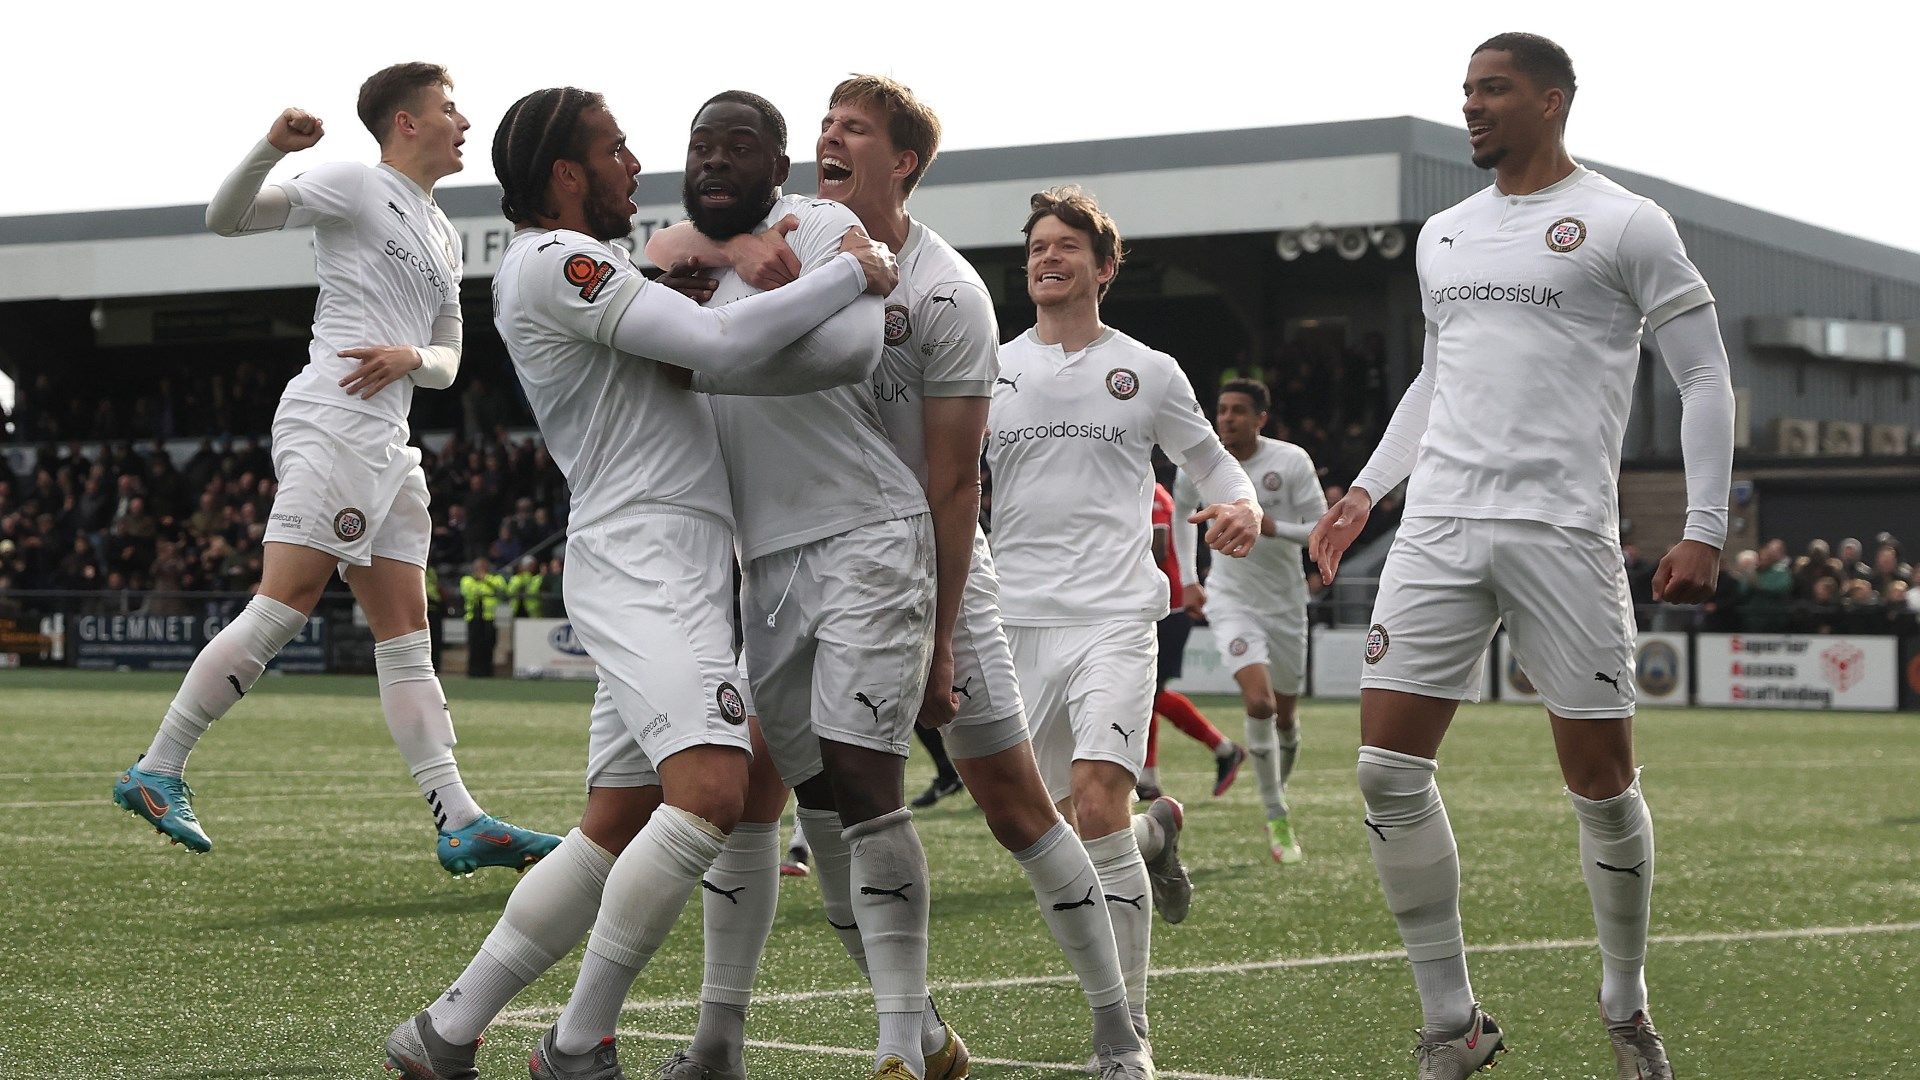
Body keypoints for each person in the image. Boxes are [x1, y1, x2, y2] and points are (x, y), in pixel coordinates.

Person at [381, 85, 899, 1080]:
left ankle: (446, 1031)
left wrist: (703, 270)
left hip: (670, 560)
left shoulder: (588, 264)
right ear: (567, 173)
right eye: (616, 149)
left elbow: (678, 304)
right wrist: (854, 272)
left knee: (618, 824)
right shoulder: (553, 260)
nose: (635, 166)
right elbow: (720, 346)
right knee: (712, 790)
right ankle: (577, 1043)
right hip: (645, 560)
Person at [647, 83, 1155, 1080]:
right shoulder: (785, 240)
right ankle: (756, 1038)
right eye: (825, 126)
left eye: (855, 129)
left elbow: (954, 482)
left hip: (926, 566)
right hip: (792, 563)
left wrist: (940, 638)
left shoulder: (947, 291)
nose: (830, 139)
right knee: (754, 792)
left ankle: (1117, 1031)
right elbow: (676, 262)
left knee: (1013, 804)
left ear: (904, 161)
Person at [1308, 33, 1731, 1080]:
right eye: (1465, 90)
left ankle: (1625, 1001)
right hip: (1438, 527)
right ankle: (1452, 1022)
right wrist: (1365, 492)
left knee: (1602, 784)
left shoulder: (1628, 223)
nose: (1471, 105)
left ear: (1552, 100)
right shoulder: (1444, 235)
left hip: (1563, 532)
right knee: (1385, 771)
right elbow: (1433, 381)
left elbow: (1704, 377)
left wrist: (1705, 526)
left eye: (1493, 89)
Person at [112, 62, 562, 874]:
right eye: (449, 108)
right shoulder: (356, 183)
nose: (464, 122)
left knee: (407, 637)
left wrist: (410, 357)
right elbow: (226, 217)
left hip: (389, 441)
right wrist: (270, 148)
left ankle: (461, 820)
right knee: (285, 602)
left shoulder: (443, 230)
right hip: (334, 418)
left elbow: (449, 359)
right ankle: (158, 767)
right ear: (407, 123)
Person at [986, 185, 1260, 1055]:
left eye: (1066, 245)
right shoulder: (990, 368)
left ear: (1104, 267)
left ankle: (1127, 1035)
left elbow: (1213, 463)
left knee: (1099, 803)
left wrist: (1243, 506)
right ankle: (1156, 833)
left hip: (1115, 614)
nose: (1048, 257)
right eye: (1037, 246)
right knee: (1050, 827)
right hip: (1014, 621)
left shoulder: (1148, 370)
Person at [1174, 377, 1325, 863]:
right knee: (1259, 703)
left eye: (1238, 410)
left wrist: (1269, 525)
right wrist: (1189, 579)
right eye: (1222, 410)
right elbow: (1180, 513)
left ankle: (1275, 785)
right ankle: (1277, 815)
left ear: (1261, 418)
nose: (1227, 418)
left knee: (1286, 719)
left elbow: (1319, 529)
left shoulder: (1291, 461)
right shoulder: (1202, 463)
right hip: (1230, 599)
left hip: (1286, 603)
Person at [1139, 480, 1245, 804]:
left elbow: (1157, 548)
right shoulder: (1145, 491)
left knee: (1148, 691)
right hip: (1158, 606)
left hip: (1168, 608)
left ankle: (1223, 749)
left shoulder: (1151, 493)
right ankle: (1148, 778)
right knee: (1145, 691)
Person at [460, 556, 506, 677]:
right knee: (474, 645)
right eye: (477, 567)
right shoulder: (467, 580)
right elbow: (468, 592)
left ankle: (487, 671)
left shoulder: (495, 578)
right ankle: (473, 671)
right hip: (473, 616)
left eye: (482, 567)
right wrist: (481, 587)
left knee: (488, 644)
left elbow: (501, 588)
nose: (480, 570)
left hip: (489, 617)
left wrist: (485, 579)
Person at [506, 554, 545, 618]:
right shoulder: (515, 578)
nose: (533, 567)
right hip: (516, 609)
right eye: (530, 565)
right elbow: (510, 592)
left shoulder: (537, 578)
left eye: (534, 565)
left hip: (532, 609)